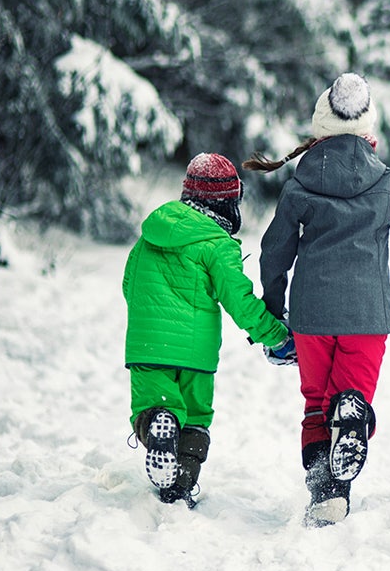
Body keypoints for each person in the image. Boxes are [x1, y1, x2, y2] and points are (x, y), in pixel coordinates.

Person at [245, 72, 390, 527]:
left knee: (315, 403)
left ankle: (327, 492)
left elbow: (274, 251)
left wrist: (272, 309)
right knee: (350, 396)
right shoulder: (386, 182)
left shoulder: (300, 185)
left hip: (311, 315)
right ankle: (353, 412)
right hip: (367, 314)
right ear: (368, 131)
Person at [123, 153, 296, 507]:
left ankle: (158, 422)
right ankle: (179, 489)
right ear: (226, 202)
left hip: (146, 345)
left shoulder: (150, 235)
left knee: (153, 405)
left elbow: (129, 284)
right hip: (196, 352)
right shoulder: (217, 244)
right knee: (195, 419)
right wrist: (276, 335)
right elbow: (240, 300)